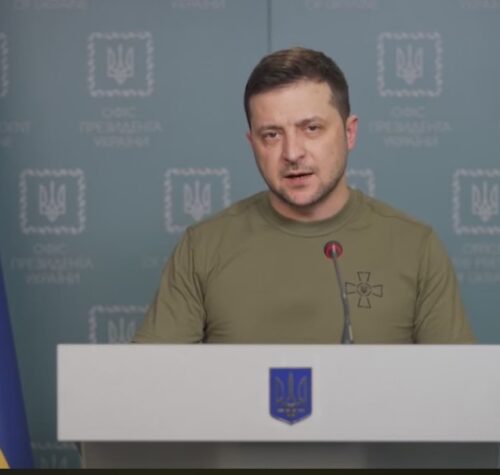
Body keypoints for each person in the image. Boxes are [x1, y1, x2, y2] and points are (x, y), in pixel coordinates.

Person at [133, 47, 475, 344]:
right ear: (252, 144)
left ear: (350, 132)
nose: (292, 153)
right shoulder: (202, 247)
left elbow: (455, 387)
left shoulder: (416, 247)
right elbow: (149, 382)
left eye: (311, 128)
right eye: (271, 135)